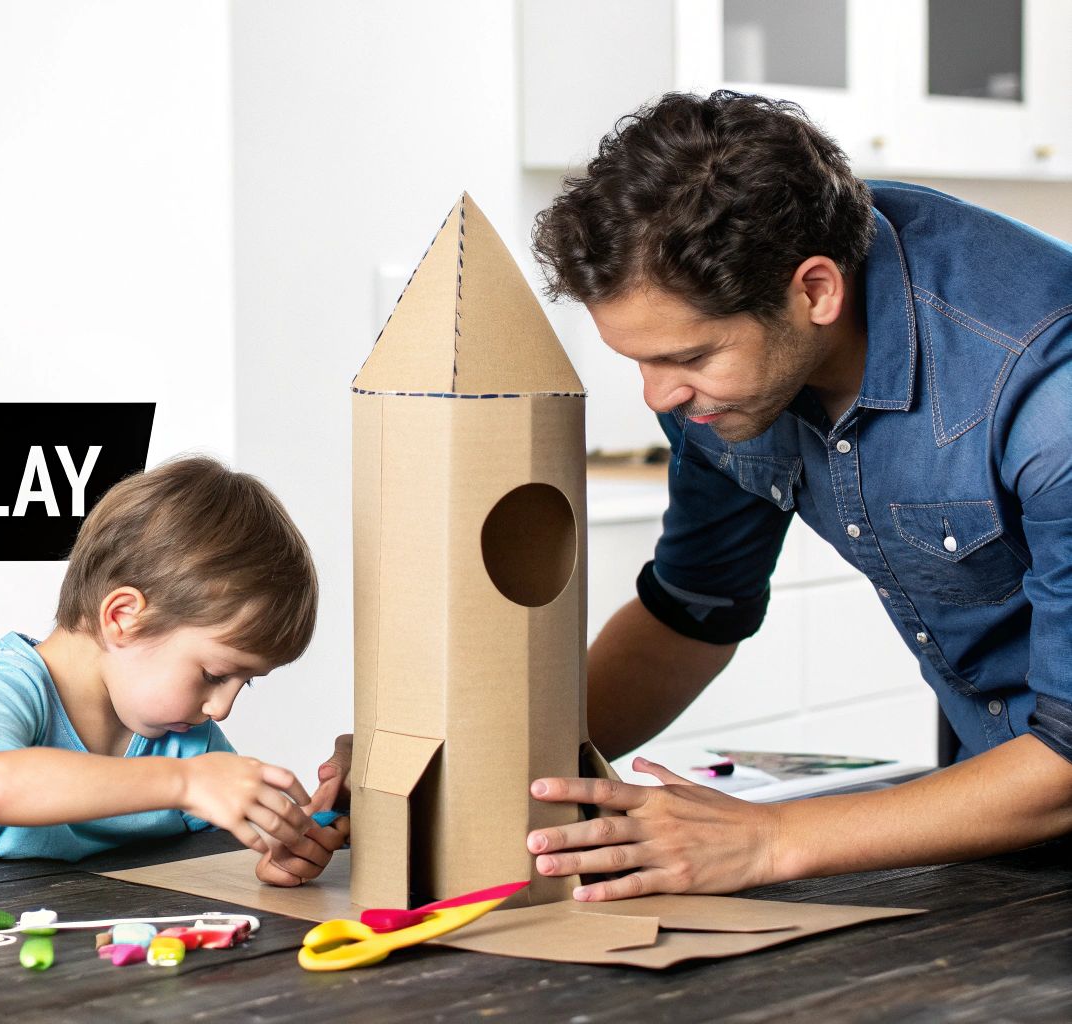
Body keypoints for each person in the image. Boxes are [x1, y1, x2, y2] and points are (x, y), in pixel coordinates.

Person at [312, 91, 1072, 900]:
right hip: (1003, 799)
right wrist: (470, 764)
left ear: (815, 291)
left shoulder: (1045, 389)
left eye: (689, 358)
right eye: (638, 361)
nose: (659, 398)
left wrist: (768, 841)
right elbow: (694, 613)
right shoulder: (726, 391)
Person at [0, 454, 348, 886]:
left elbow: (239, 827)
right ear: (124, 617)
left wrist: (289, 843)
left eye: (242, 684)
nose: (221, 708)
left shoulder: (187, 736)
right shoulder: (12, 687)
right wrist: (184, 783)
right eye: (213, 674)